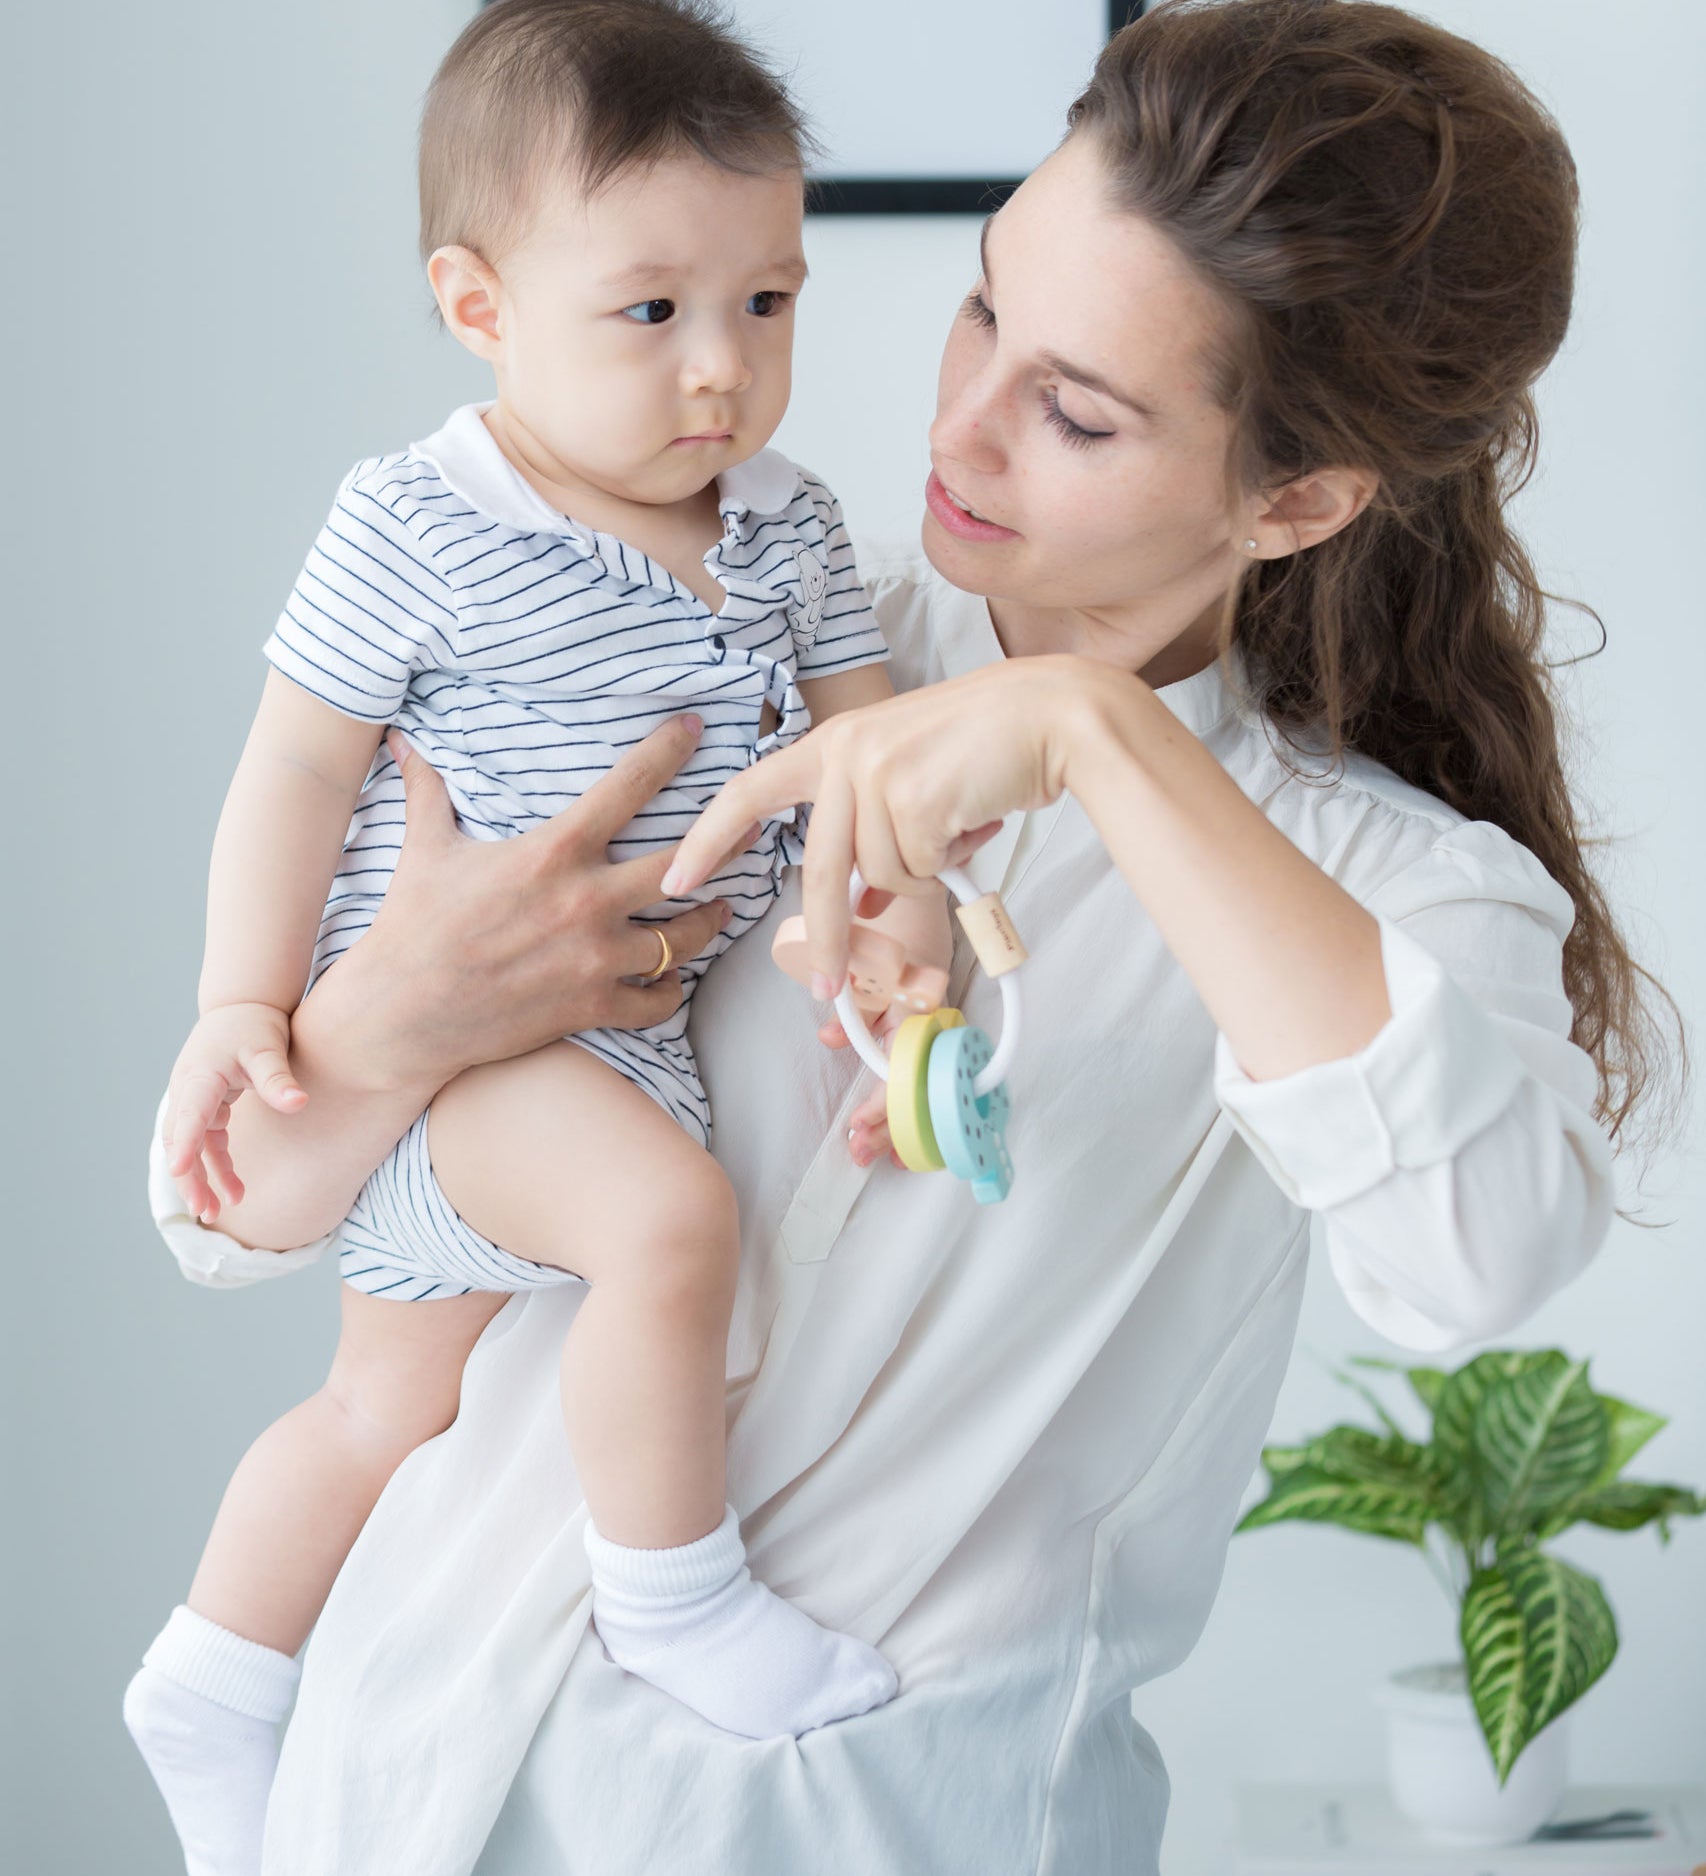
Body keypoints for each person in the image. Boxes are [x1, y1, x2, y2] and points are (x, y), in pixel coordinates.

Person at [144, 1, 1678, 1871]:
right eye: (979, 310)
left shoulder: (1379, 890)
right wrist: (381, 1027)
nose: (956, 424)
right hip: (393, 1788)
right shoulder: (705, 665)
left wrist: (1105, 740)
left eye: (1077, 408)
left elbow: (1480, 1258)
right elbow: (230, 1220)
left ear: (1296, 497)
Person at [124, 3, 958, 1868]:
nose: (720, 370)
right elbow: (293, 769)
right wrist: (239, 1003)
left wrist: (901, 952)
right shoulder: (416, 520)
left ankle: (214, 1670)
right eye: (650, 312)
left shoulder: (790, 524)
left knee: (382, 1403)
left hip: (613, 1034)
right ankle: (673, 1597)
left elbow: (865, 759)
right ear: (479, 305)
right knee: (670, 1221)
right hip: (473, 1053)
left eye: (769, 302)